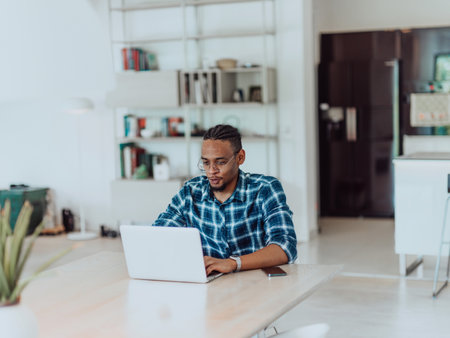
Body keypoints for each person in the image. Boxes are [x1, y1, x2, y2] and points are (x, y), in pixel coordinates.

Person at [153, 124, 297, 275]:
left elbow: (285, 247)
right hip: (209, 285)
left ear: (240, 157)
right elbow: (159, 234)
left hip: (255, 284)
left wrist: (233, 263)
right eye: (206, 163)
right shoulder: (190, 192)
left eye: (220, 162)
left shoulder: (265, 189)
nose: (211, 171)